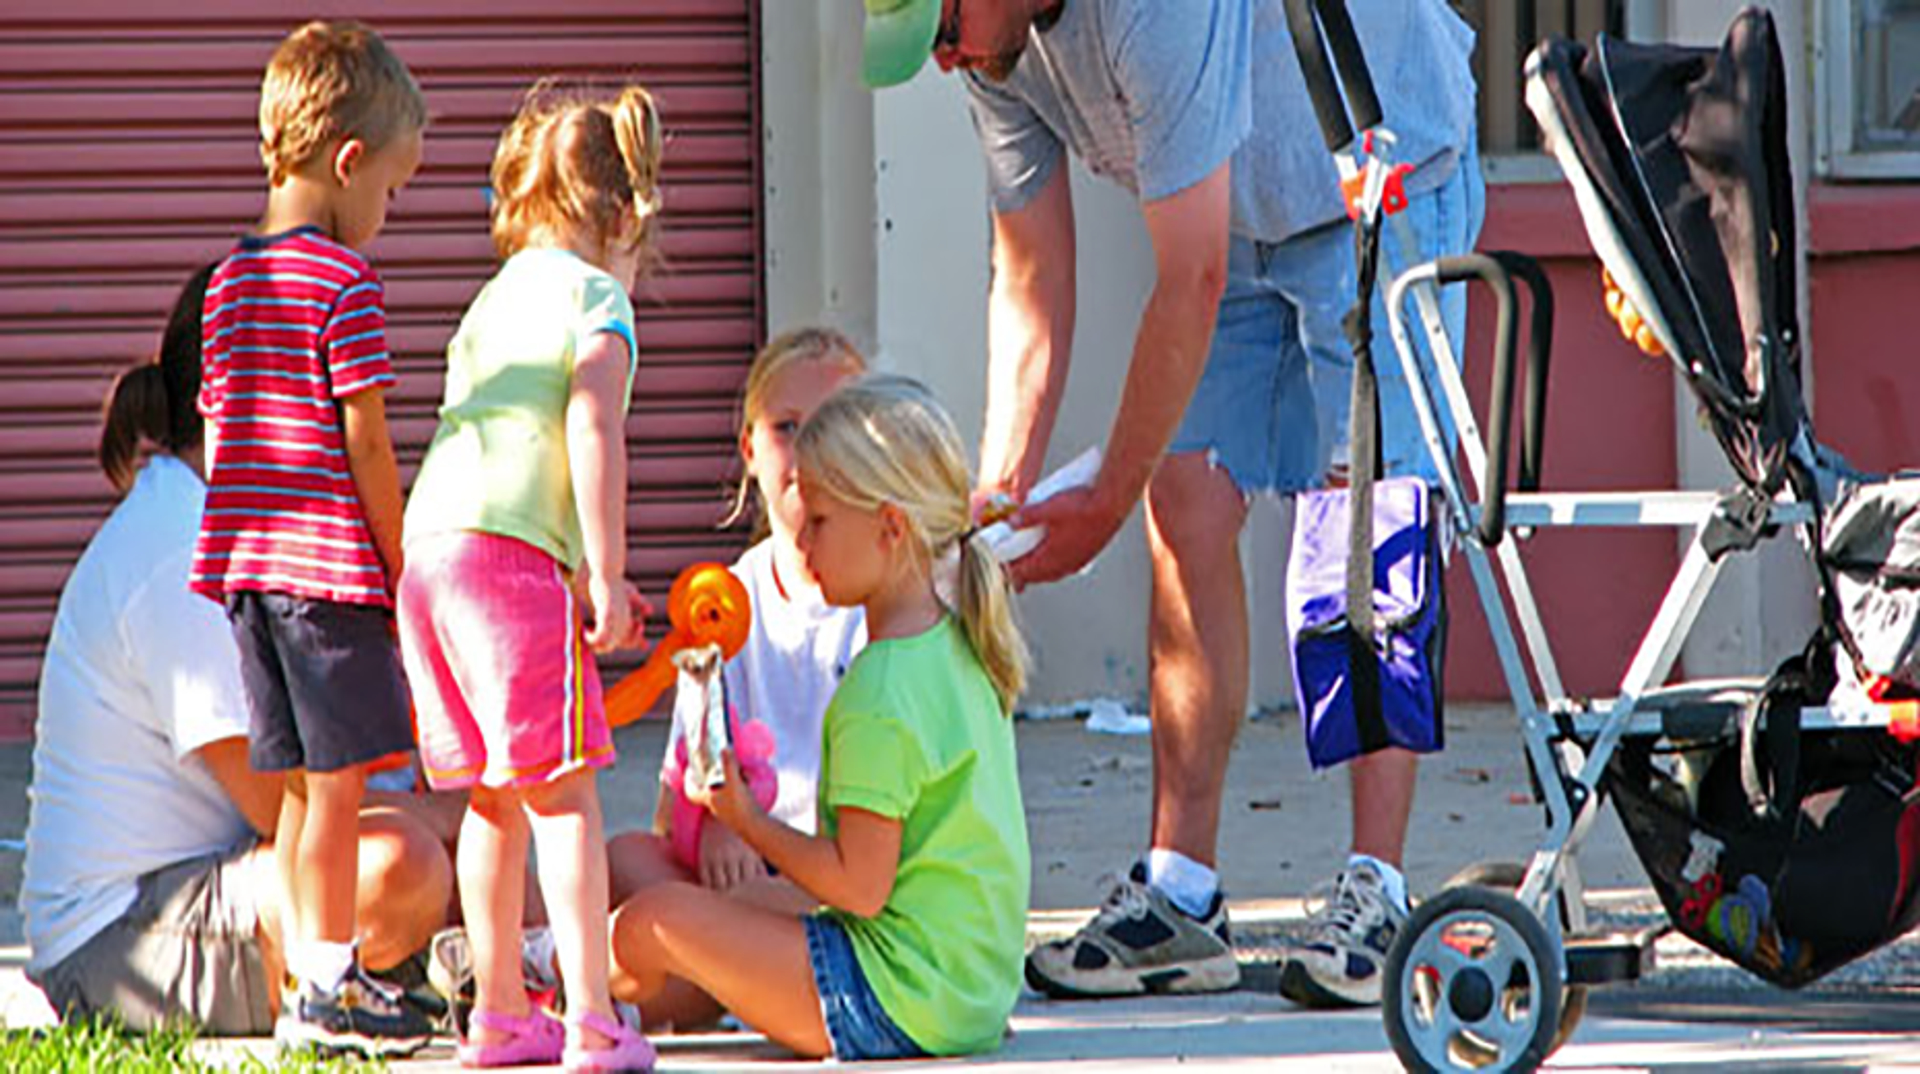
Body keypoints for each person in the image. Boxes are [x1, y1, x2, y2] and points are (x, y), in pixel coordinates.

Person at [859, 0, 1482, 1007]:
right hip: (1230, 211)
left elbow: (1182, 281)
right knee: (1183, 504)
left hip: (1382, 176)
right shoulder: (994, 51)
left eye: (943, 25)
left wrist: (1103, 499)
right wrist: (998, 491)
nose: (941, 59)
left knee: (1362, 521)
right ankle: (1182, 898)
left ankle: (1379, 887)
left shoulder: (1148, 11)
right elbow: (1029, 275)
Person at [21, 266, 456, 1040]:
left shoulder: (246, 532)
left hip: (222, 879)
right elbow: (278, 802)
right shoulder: (175, 548)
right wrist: (459, 814)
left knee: (465, 854)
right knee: (404, 868)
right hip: (119, 937)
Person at [609, 375, 1032, 1061]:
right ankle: (593, 992)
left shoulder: (880, 690)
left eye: (823, 522)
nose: (802, 542)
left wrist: (744, 818)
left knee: (654, 919)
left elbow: (856, 888)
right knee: (728, 915)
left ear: (891, 528)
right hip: (965, 991)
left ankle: (553, 983)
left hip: (891, 999)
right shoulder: (959, 646)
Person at [396, 82, 663, 1071]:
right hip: (509, 565)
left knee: (493, 800)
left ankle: (501, 1013)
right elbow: (590, 425)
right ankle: (594, 1018)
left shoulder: (491, 300)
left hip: (431, 560)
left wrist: (582, 570)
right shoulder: (599, 297)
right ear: (622, 216)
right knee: (567, 796)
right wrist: (609, 573)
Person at [188, 19, 437, 1055]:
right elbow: (365, 438)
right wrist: (401, 552)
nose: (389, 212)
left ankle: (301, 982)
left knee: (292, 788)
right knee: (339, 788)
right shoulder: (344, 286)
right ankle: (333, 983)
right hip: (325, 574)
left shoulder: (227, 284)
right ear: (347, 162)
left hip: (246, 572)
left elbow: (216, 429)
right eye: (390, 189)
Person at [603, 326, 870, 1031]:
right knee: (624, 860)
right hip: (743, 874)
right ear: (749, 448)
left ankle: (594, 990)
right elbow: (678, 800)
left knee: (667, 924)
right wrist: (719, 825)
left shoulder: (881, 601)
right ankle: (646, 985)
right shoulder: (726, 598)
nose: (808, 451)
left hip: (839, 881)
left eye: (833, 428)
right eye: (787, 427)